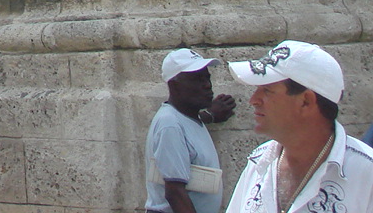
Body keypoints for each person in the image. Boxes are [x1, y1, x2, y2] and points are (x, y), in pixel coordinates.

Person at [225, 40, 373, 212]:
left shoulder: (366, 172)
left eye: (267, 90)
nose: (253, 100)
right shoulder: (259, 161)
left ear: (306, 101)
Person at [148, 48, 237, 213]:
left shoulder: (186, 119)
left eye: (207, 78)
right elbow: (175, 193)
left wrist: (211, 115)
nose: (207, 85)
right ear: (174, 85)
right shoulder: (170, 124)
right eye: (197, 79)